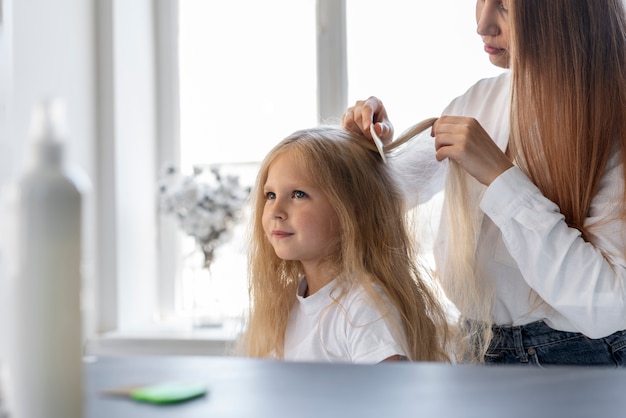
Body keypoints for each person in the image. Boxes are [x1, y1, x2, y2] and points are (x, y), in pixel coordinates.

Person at [342, 0, 626, 366]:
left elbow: (609, 306)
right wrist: (368, 149)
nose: (482, 25)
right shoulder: (478, 99)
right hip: (476, 345)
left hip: (578, 359)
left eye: (506, 8)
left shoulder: (614, 121)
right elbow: (383, 197)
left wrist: (501, 177)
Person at [236, 124, 449, 363]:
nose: (276, 211)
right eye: (270, 195)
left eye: (298, 194)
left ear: (352, 211)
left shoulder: (364, 308)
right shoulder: (289, 303)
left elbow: (388, 398)